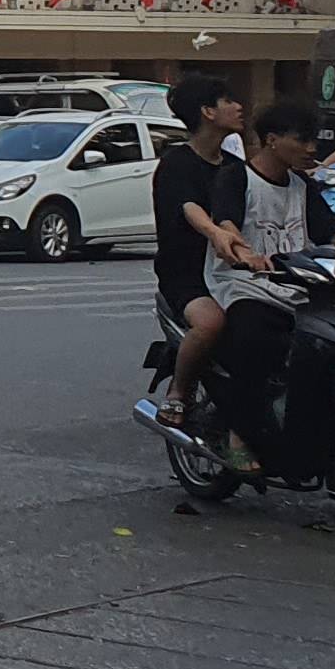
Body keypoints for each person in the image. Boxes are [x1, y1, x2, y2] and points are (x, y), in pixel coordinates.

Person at [199, 95, 335, 456]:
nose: (311, 149)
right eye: (302, 140)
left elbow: (334, 233)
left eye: (313, 141)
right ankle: (240, 434)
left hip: (298, 289)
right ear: (272, 140)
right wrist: (246, 255)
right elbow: (226, 223)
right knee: (254, 341)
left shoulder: (302, 185)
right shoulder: (236, 177)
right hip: (245, 286)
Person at [144, 72, 250, 427]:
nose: (239, 107)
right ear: (207, 111)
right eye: (228, 101)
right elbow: (191, 209)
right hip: (188, 274)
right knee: (210, 322)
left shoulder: (236, 167)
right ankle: (178, 391)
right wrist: (216, 233)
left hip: (234, 270)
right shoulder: (177, 163)